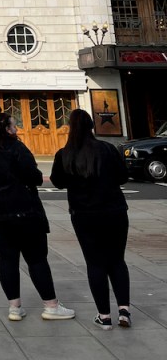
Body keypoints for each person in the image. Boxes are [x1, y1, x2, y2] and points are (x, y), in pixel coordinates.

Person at [0, 110, 75, 322]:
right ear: (8, 129)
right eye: (14, 125)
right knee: (36, 258)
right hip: (24, 212)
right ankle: (51, 306)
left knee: (6, 259)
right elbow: (34, 177)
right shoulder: (16, 148)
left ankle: (14, 308)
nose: (17, 128)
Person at [51, 108, 131, 330]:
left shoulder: (64, 154)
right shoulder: (107, 149)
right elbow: (123, 177)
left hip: (84, 214)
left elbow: (57, 182)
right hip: (114, 210)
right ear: (91, 127)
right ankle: (124, 310)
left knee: (95, 263)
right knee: (117, 260)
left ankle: (104, 316)